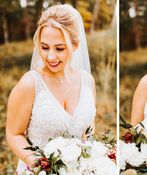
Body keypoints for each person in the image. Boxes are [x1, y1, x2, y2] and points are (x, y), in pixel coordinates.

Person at [6, 4, 96, 173]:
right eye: (44, 47)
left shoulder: (88, 82)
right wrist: (42, 166)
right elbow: (13, 134)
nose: (51, 56)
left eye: (60, 48)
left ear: (75, 45)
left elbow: (88, 130)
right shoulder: (30, 84)